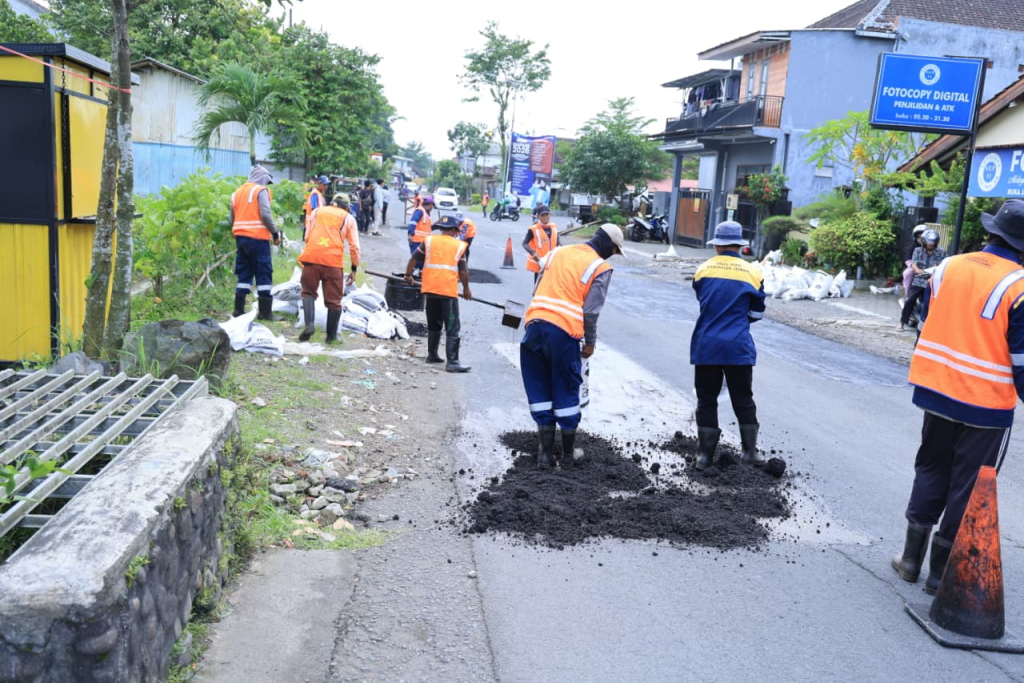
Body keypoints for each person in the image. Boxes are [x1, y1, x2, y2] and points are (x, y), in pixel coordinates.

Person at [892, 200, 1024, 595]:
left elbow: (933, 317)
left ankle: (910, 560)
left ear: (991, 232)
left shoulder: (948, 266)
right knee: (970, 484)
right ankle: (939, 575)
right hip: (985, 403)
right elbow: (1021, 360)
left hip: (936, 389)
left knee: (931, 468)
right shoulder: (1019, 286)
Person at [520, 224, 624, 470]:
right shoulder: (600, 267)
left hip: (534, 327)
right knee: (566, 388)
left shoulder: (557, 252)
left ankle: (544, 455)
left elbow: (537, 288)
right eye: (615, 251)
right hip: (564, 333)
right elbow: (590, 311)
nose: (613, 256)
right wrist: (590, 342)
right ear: (609, 246)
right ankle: (567, 456)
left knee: (540, 387)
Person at [691, 220, 767, 470]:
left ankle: (704, 457)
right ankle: (749, 453)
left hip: (706, 345)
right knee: (743, 398)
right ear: (740, 246)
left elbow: (704, 301)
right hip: (738, 346)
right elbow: (757, 314)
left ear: (717, 246)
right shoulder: (753, 273)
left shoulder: (702, 270)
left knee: (706, 399)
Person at [405, 215, 472, 373]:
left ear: (441, 229)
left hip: (430, 288)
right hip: (447, 291)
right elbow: (463, 271)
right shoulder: (459, 245)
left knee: (434, 323)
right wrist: (466, 288)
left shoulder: (429, 241)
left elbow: (413, 259)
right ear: (455, 230)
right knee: (452, 325)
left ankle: (432, 355)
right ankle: (453, 362)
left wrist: (408, 275)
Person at [297, 194, 360, 344]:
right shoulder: (348, 218)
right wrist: (354, 267)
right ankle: (331, 337)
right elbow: (354, 247)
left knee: (308, 293)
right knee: (334, 301)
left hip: (312, 257)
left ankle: (310, 325)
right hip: (333, 262)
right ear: (346, 207)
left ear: (332, 203)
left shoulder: (317, 212)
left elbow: (307, 236)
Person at [229, 165, 281, 320]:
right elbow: (265, 214)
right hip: (258, 239)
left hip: (241, 239)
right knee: (263, 272)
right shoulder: (260, 191)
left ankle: (238, 310)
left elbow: (231, 218)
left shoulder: (237, 192)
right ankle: (265, 312)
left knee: (244, 272)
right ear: (263, 178)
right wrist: (275, 233)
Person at [899, 229, 946, 331]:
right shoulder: (918, 250)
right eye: (928, 241)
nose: (930, 244)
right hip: (919, 280)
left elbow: (942, 265)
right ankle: (902, 323)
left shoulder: (942, 252)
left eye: (932, 241)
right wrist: (919, 271)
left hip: (933, 281)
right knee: (910, 300)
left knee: (933, 302)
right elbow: (914, 265)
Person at [523, 205, 558, 283]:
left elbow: (558, 243)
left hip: (552, 262)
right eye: (543, 215)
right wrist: (533, 252)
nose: (545, 217)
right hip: (540, 262)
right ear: (538, 216)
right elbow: (525, 243)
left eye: (547, 215)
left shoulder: (554, 228)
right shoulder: (533, 229)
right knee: (538, 286)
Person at [407, 195, 434, 274]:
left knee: (422, 261)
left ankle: (419, 276)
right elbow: (413, 222)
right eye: (432, 206)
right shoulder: (420, 211)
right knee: (416, 260)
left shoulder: (425, 213)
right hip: (416, 240)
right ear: (429, 205)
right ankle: (409, 275)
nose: (432, 208)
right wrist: (411, 234)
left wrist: (436, 225)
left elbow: (427, 228)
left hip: (422, 241)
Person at [903, 224, 928, 295]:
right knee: (908, 273)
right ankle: (907, 293)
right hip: (915, 268)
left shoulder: (933, 248)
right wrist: (913, 266)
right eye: (918, 237)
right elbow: (908, 259)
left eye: (923, 237)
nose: (920, 239)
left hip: (929, 268)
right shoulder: (913, 247)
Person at [304, 175, 329, 240]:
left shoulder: (319, 194)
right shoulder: (315, 193)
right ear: (319, 183)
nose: (326, 187)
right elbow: (314, 209)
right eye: (324, 184)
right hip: (313, 224)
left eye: (327, 185)